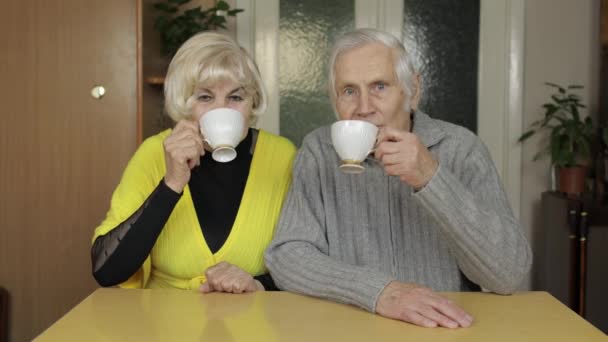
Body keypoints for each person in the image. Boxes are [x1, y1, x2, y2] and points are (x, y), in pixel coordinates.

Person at [265, 28, 532, 328]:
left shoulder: (461, 148)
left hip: (443, 330)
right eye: (349, 91)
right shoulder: (318, 151)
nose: (364, 108)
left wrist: (432, 178)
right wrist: (379, 292)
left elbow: (509, 272)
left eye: (379, 86)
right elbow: (287, 256)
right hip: (349, 328)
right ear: (334, 100)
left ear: (413, 90)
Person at [91, 32, 295, 293]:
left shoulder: (282, 157)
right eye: (205, 97)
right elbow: (106, 271)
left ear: (252, 102)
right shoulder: (154, 153)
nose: (222, 110)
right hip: (162, 326)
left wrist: (258, 284)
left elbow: (304, 261)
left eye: (235, 97)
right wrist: (171, 183)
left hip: (252, 324)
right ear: (184, 104)